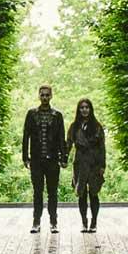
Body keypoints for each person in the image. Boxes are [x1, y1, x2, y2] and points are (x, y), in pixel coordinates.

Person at [21, 82, 66, 233]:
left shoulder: (57, 115)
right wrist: (25, 157)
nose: (45, 97)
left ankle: (54, 222)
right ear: (39, 96)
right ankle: (36, 222)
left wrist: (63, 157)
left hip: (52, 160)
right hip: (36, 160)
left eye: (47, 95)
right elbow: (26, 136)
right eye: (42, 94)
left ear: (51, 96)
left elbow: (61, 138)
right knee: (37, 191)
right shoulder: (31, 114)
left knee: (53, 192)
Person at [67, 97, 106, 233]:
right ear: (79, 110)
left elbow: (102, 147)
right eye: (82, 107)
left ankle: (94, 221)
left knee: (94, 193)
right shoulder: (74, 126)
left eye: (87, 107)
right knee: (81, 193)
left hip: (94, 162)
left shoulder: (97, 126)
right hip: (80, 162)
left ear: (90, 109)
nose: (84, 110)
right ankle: (84, 221)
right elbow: (68, 144)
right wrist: (63, 158)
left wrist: (102, 166)